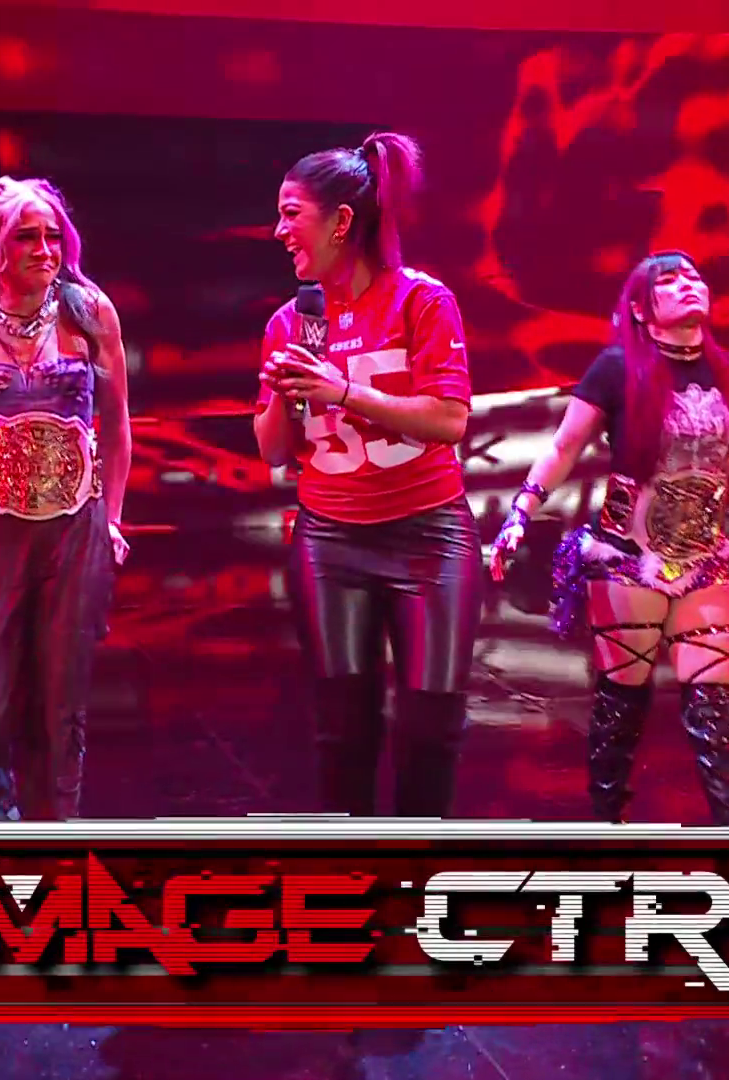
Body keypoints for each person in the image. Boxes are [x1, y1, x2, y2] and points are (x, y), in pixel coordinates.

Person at [489, 251, 729, 826]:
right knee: (623, 701)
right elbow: (564, 447)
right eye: (670, 280)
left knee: (718, 708)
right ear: (641, 310)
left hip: (702, 563)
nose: (689, 285)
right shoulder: (616, 367)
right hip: (628, 561)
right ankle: (607, 824)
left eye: (694, 276)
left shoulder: (718, 368)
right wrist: (521, 510)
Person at [254, 131, 481, 818]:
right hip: (331, 542)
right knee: (342, 735)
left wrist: (344, 391)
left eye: (291, 214)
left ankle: (419, 866)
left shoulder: (421, 300)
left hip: (429, 539)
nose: (278, 231)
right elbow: (272, 450)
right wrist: (286, 395)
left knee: (429, 733)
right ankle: (349, 867)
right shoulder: (290, 323)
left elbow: (449, 419)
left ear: (341, 222)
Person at [0, 176, 132, 822]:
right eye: (26, 237)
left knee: (60, 706)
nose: (46, 250)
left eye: (53, 236)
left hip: (73, 531)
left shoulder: (89, 313)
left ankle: (56, 839)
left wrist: (112, 520)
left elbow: (118, 425)